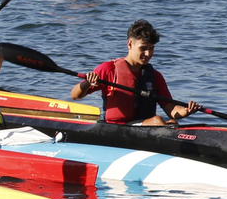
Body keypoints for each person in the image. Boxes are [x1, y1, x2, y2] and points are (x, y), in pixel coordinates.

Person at [70, 19, 199, 125]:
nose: (148, 54)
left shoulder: (155, 76)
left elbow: (171, 110)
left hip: (145, 126)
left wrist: (187, 110)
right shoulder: (109, 69)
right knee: (158, 121)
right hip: (117, 128)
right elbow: (75, 95)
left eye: (151, 49)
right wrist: (87, 83)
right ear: (130, 44)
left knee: (172, 123)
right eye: (143, 48)